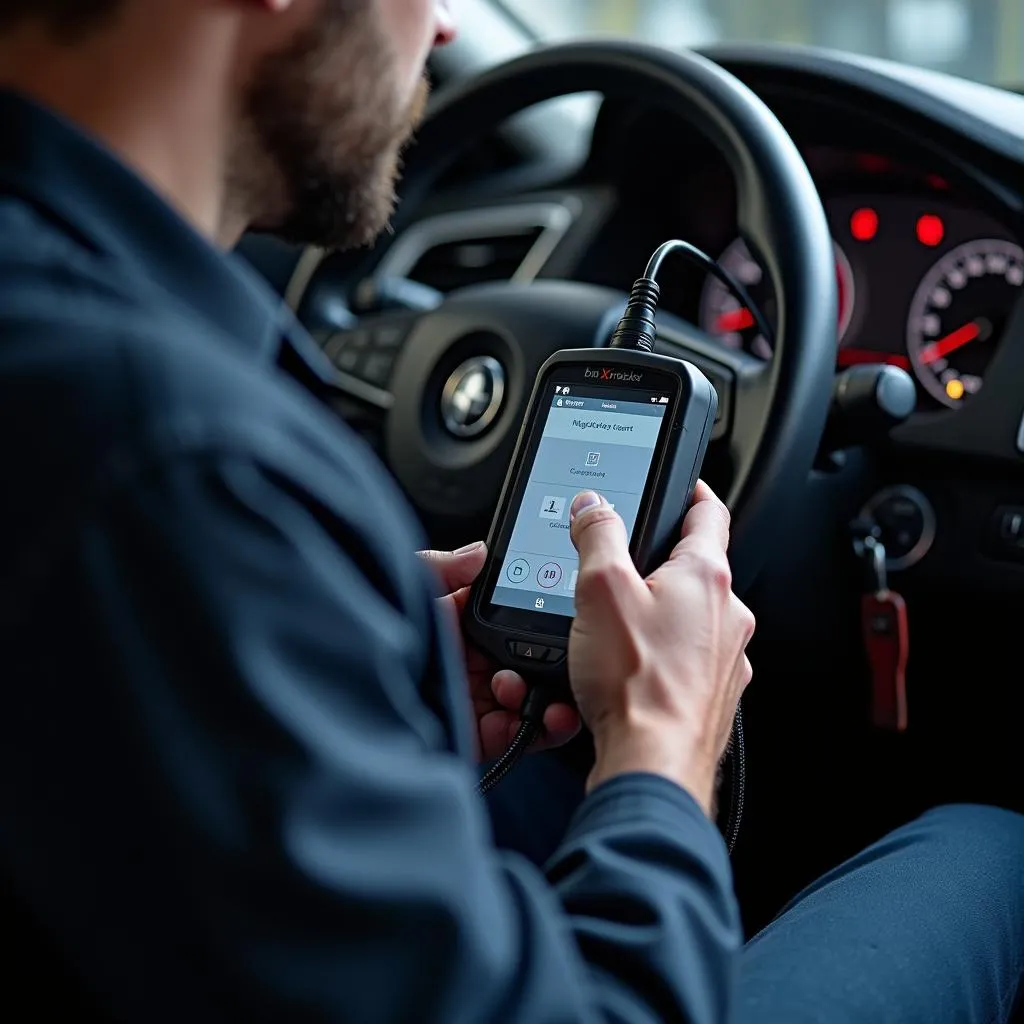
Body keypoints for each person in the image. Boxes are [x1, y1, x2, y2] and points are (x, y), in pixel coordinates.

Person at [0, 2, 1020, 1021]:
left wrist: (343, 633)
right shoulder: (180, 464)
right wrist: (663, 738)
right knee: (994, 847)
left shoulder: (92, 375)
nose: (445, 25)